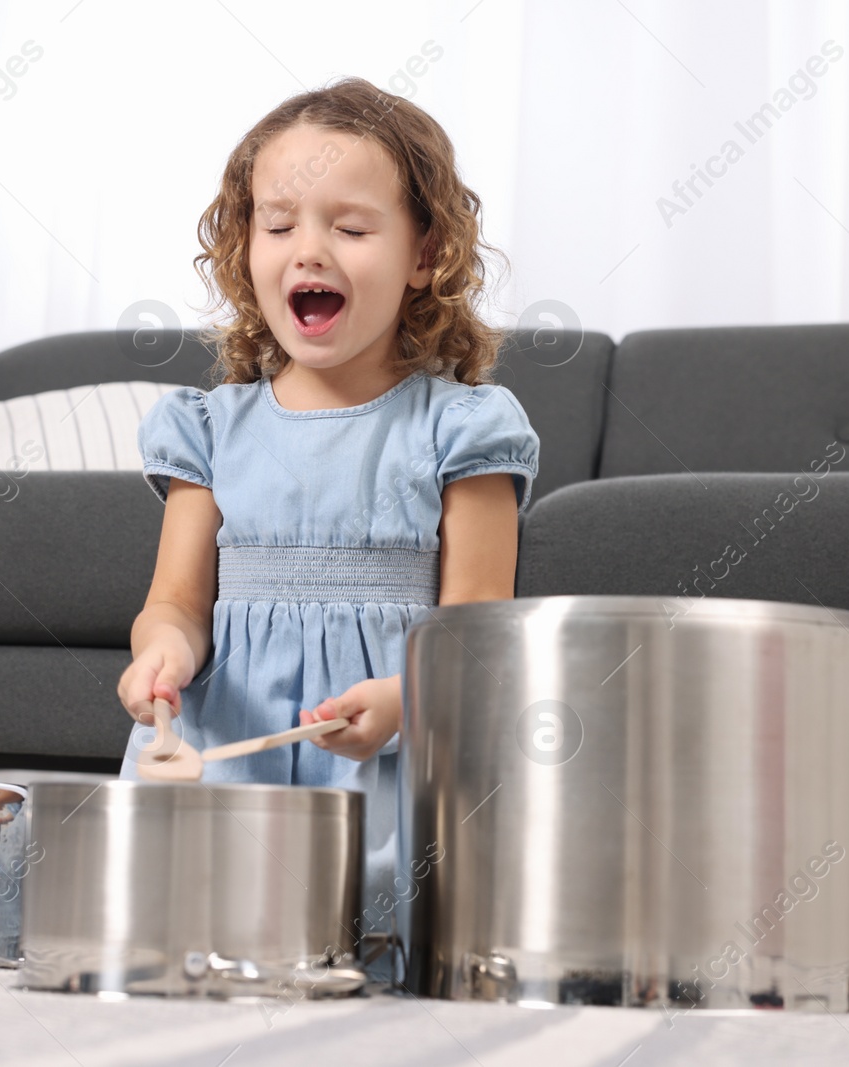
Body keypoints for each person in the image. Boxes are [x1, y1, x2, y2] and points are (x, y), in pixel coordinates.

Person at [115, 75, 539, 948]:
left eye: (349, 227)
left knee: (383, 935)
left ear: (426, 255)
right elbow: (177, 604)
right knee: (189, 926)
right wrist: (159, 656)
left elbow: (477, 633)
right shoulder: (207, 429)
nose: (309, 249)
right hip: (229, 752)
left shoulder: (463, 427)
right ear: (245, 250)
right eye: (278, 225)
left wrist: (406, 698)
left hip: (388, 758)